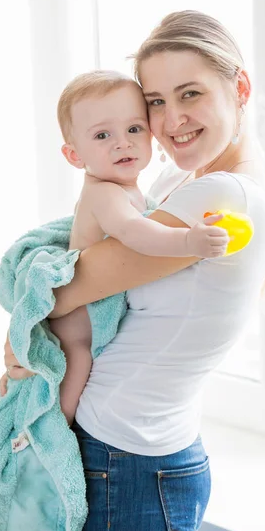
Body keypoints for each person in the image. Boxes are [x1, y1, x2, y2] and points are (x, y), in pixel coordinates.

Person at [0, 10, 265, 531]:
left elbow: (57, 291)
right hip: (135, 450)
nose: (171, 119)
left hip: (125, 460)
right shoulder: (183, 179)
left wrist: (26, 335)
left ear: (239, 88)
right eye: (155, 101)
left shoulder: (220, 197)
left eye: (190, 94)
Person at [46, 70, 229, 424]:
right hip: (78, 318)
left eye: (134, 129)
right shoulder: (105, 193)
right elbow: (136, 232)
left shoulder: (130, 187)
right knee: (78, 359)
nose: (123, 143)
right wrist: (189, 240)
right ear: (74, 155)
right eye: (102, 135)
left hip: (97, 301)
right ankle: (56, 426)